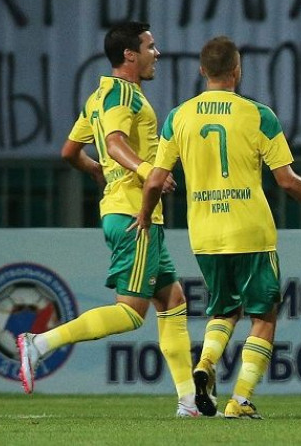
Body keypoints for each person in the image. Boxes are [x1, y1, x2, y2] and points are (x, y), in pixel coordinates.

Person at [131, 36, 301, 419]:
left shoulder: (178, 116)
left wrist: (144, 216)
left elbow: (154, 181)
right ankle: (240, 400)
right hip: (250, 230)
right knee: (263, 316)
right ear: (237, 70)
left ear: (202, 70)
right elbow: (287, 180)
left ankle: (205, 364)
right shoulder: (258, 115)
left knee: (224, 310)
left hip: (205, 234)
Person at [17, 21, 199, 417]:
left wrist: (96, 170)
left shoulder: (98, 97)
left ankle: (189, 402)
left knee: (172, 300)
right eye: (150, 46)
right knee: (131, 313)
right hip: (136, 214)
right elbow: (115, 143)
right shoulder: (122, 94)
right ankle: (39, 344)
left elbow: (69, 152)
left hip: (125, 210)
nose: (157, 53)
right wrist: (149, 171)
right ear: (130, 54)